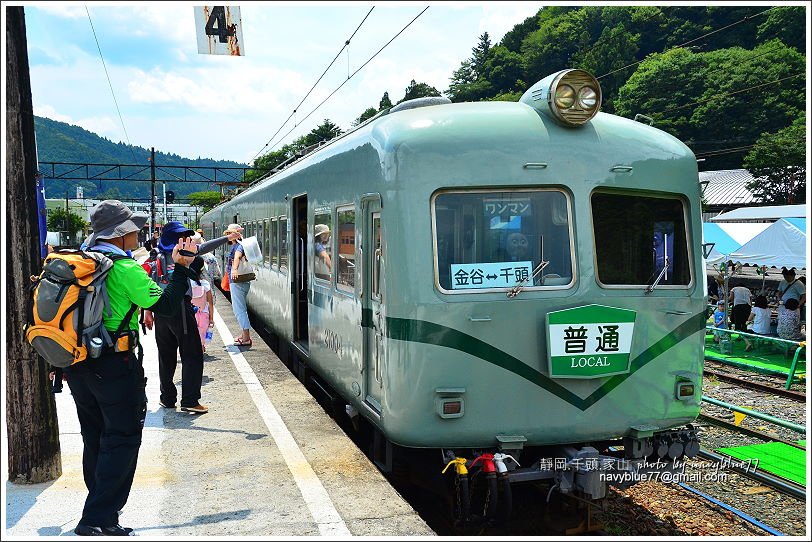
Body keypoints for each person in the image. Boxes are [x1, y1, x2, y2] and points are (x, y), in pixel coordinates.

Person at [64, 200, 197, 536]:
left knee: (94, 436)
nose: (138, 233)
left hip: (78, 364)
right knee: (121, 438)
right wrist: (181, 268)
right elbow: (165, 305)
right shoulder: (124, 269)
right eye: (133, 229)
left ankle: (97, 504)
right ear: (121, 235)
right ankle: (98, 517)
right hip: (114, 364)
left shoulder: (80, 260)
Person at [144, 221, 240, 413]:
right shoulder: (182, 253)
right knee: (192, 354)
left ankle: (167, 398)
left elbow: (149, 284)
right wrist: (227, 238)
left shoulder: (156, 256)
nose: (185, 240)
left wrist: (148, 312)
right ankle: (189, 400)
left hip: (160, 310)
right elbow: (204, 247)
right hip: (180, 309)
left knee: (166, 356)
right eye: (181, 236)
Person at [224, 223, 252, 347]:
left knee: (239, 310)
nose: (228, 236)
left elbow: (237, 257)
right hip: (241, 281)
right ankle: (243, 334)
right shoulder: (240, 244)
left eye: (230, 234)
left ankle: (246, 338)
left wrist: (234, 270)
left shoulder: (239, 246)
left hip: (237, 282)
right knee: (240, 309)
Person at [189, 257, 215, 353]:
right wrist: (211, 318)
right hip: (204, 314)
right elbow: (211, 304)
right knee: (202, 334)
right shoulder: (205, 284)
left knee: (192, 334)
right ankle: (201, 346)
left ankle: (194, 349)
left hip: (191, 313)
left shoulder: (187, 283)